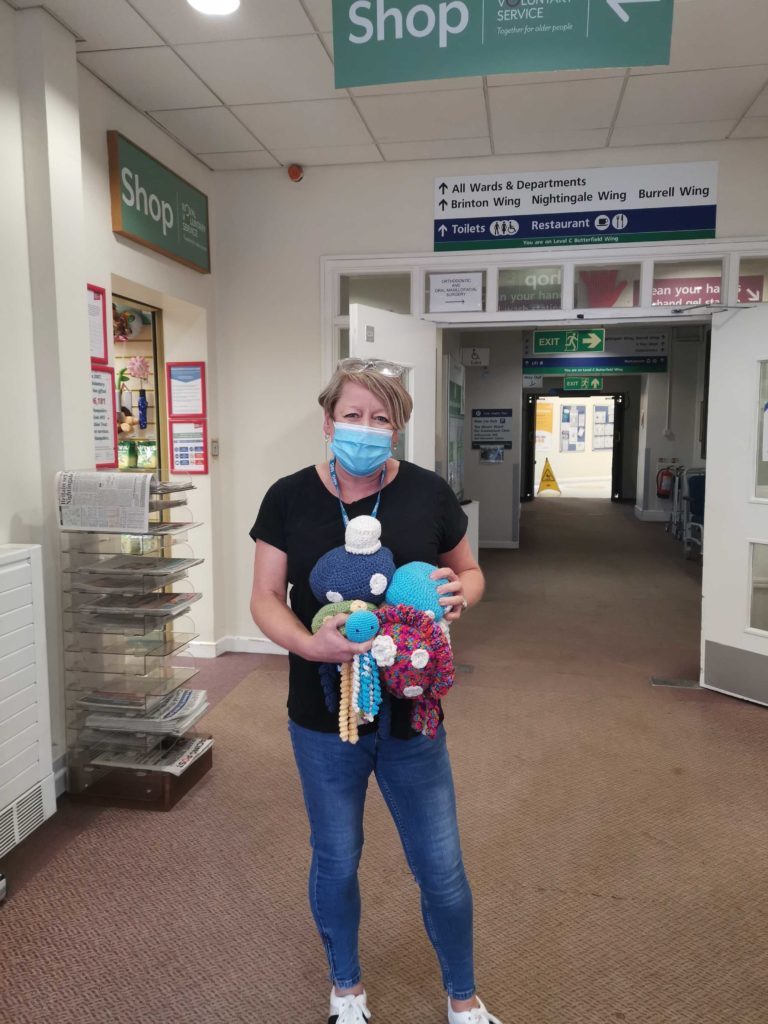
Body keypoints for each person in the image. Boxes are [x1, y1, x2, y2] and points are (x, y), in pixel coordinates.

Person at [249, 358, 501, 1024]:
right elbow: (265, 597)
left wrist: (460, 596)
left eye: (381, 418)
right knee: (336, 858)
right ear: (329, 419)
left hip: (413, 715)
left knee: (441, 867)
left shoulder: (428, 493)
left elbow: (469, 573)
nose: (364, 429)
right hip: (322, 718)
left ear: (398, 427)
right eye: (352, 415)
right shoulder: (287, 498)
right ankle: (346, 989)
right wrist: (309, 644)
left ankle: (464, 999)